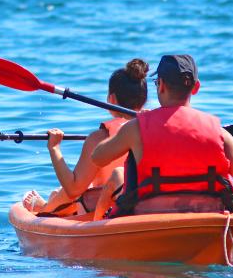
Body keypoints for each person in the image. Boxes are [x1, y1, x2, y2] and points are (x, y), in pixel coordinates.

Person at [91, 54, 233, 217]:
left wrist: (131, 126)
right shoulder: (220, 133)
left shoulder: (136, 128)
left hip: (149, 220)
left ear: (161, 85)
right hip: (206, 220)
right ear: (196, 87)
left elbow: (98, 157)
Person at [23, 58, 149, 217]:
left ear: (111, 99)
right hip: (148, 201)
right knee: (76, 188)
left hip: (107, 209)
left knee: (73, 192)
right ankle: (49, 203)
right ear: (144, 100)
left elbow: (73, 189)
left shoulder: (99, 138)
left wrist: (54, 148)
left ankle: (44, 208)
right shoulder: (155, 126)